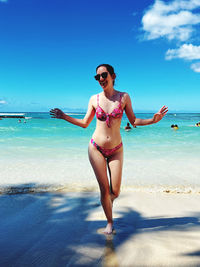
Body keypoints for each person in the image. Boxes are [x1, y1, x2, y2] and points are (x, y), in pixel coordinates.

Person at [50, 64, 168, 234]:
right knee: (105, 189)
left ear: (112, 76)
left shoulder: (124, 97)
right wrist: (64, 116)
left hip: (116, 149)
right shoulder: (94, 99)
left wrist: (153, 120)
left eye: (103, 75)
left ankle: (106, 202)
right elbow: (84, 124)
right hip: (95, 148)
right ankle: (110, 222)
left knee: (116, 191)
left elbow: (133, 121)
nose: (100, 79)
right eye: (97, 77)